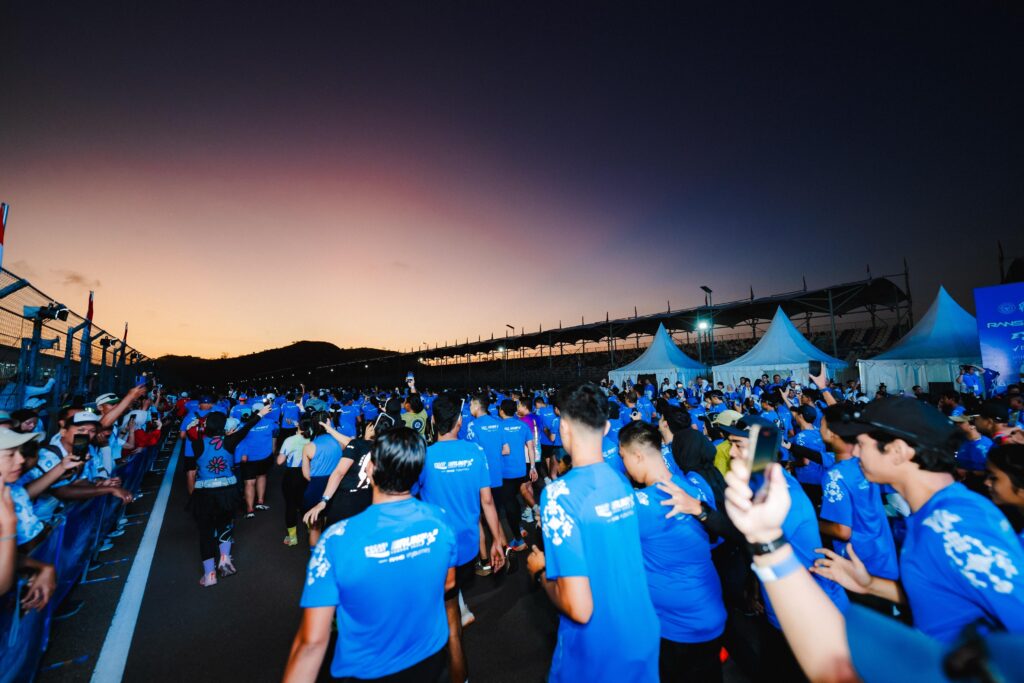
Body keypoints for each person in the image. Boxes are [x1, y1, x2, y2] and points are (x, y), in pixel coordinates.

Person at [814, 397, 1024, 643]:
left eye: (861, 444)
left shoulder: (955, 526)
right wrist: (870, 585)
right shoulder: (930, 515)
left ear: (898, 451)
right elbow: (944, 595)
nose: (856, 453)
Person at [282, 428, 457, 683]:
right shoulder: (440, 519)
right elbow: (449, 583)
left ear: (370, 469)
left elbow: (311, 643)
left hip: (369, 668)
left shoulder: (336, 540)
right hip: (429, 657)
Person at [527, 382, 660, 682]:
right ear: (607, 427)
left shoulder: (560, 496)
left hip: (597, 650)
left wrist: (539, 572)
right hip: (642, 632)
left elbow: (579, 607)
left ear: (563, 428)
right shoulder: (623, 481)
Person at [618, 420, 726, 682]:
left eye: (623, 458)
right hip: (710, 609)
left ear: (638, 455)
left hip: (677, 627)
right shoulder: (694, 486)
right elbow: (714, 539)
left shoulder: (641, 505)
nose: (624, 466)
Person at [416, 394, 505, 683]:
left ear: (432, 421)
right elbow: (488, 501)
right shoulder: (475, 452)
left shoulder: (424, 456)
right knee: (449, 603)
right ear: (459, 422)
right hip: (467, 546)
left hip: (435, 548)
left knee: (442, 612)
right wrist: (497, 539)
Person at [186, 405, 268, 586]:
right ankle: (225, 560)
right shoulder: (230, 441)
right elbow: (246, 427)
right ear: (224, 427)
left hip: (205, 493)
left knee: (206, 532)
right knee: (225, 525)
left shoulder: (197, 443)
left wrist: (199, 424)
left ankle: (209, 576)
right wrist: (260, 413)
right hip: (228, 491)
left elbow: (189, 432)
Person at [300, 413, 354, 547]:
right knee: (335, 526)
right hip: (336, 487)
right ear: (328, 423)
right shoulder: (341, 443)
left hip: (316, 488)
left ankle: (316, 558)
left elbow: (306, 475)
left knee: (315, 527)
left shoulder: (309, 447)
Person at [497, 398, 536, 551]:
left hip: (505, 472)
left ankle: (518, 541)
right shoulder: (522, 425)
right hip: (521, 470)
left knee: (508, 503)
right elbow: (531, 447)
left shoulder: (498, 427)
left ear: (501, 411)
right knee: (513, 498)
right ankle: (519, 527)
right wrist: (532, 467)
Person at [237, 401, 277, 519]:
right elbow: (275, 435)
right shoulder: (270, 423)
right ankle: (260, 502)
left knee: (249, 482)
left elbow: (239, 439)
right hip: (265, 456)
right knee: (262, 476)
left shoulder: (244, 424)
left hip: (249, 457)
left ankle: (250, 509)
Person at [278, 418, 312, 546]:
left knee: (291, 505)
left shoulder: (290, 440)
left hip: (293, 475)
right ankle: (311, 529)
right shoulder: (313, 439)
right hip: (309, 473)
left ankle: (292, 538)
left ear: (299, 427)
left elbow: (280, 461)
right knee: (307, 503)